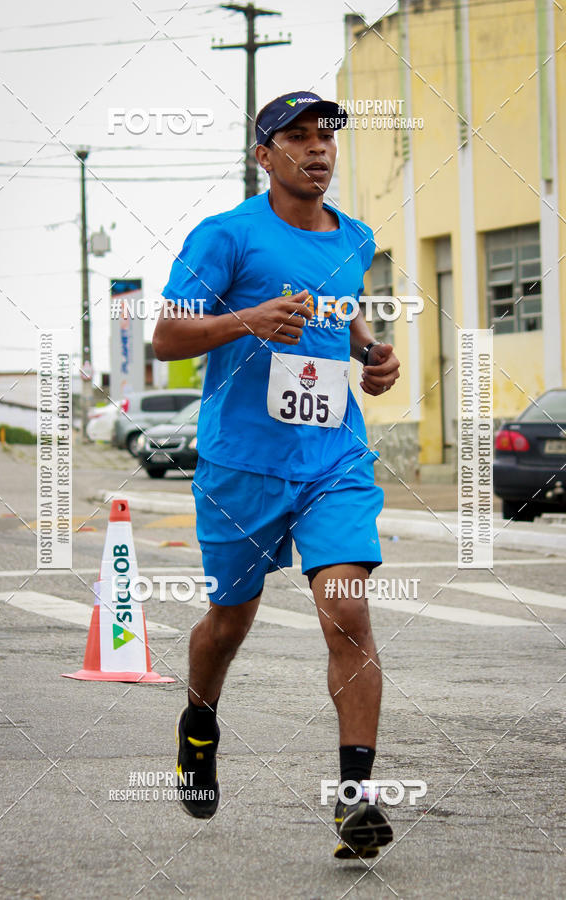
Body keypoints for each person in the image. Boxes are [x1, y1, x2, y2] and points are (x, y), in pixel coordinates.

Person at [153, 91, 400, 860]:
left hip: (333, 458)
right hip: (241, 466)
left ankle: (354, 799)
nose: (317, 149)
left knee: (346, 614)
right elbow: (165, 335)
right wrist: (246, 321)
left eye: (325, 136)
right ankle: (199, 722)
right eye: (296, 137)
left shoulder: (354, 235)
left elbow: (344, 306)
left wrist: (370, 351)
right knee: (229, 622)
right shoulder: (225, 236)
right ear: (265, 156)